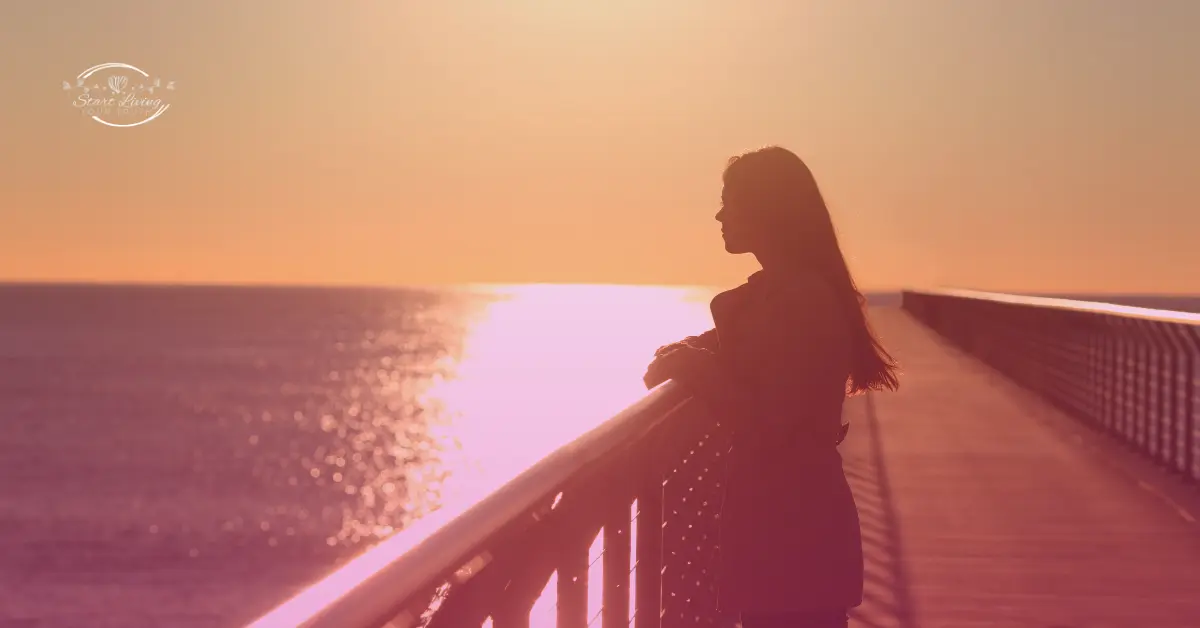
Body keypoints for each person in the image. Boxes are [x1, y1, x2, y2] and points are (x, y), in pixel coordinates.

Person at [643, 146, 899, 628]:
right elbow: (742, 350)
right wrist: (690, 353)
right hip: (784, 530)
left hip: (795, 534)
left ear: (766, 207)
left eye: (729, 200)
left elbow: (768, 420)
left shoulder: (803, 299)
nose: (719, 214)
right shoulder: (780, 294)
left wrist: (696, 368)